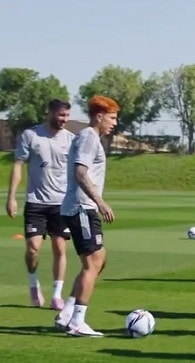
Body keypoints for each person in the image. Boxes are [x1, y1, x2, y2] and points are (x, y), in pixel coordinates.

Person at [54, 95, 119, 337]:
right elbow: (81, 173)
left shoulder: (90, 138)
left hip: (83, 208)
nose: (114, 123)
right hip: (82, 208)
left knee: (99, 260)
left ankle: (67, 313)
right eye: (112, 118)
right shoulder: (89, 137)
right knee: (92, 264)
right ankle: (77, 321)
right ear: (99, 116)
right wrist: (100, 202)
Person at [5, 99, 75, 310]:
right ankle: (33, 283)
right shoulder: (31, 135)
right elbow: (18, 166)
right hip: (36, 201)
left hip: (62, 203)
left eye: (67, 116)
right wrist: (11, 197)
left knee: (60, 247)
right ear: (50, 113)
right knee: (33, 248)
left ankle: (56, 294)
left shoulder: (71, 139)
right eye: (61, 115)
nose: (64, 120)